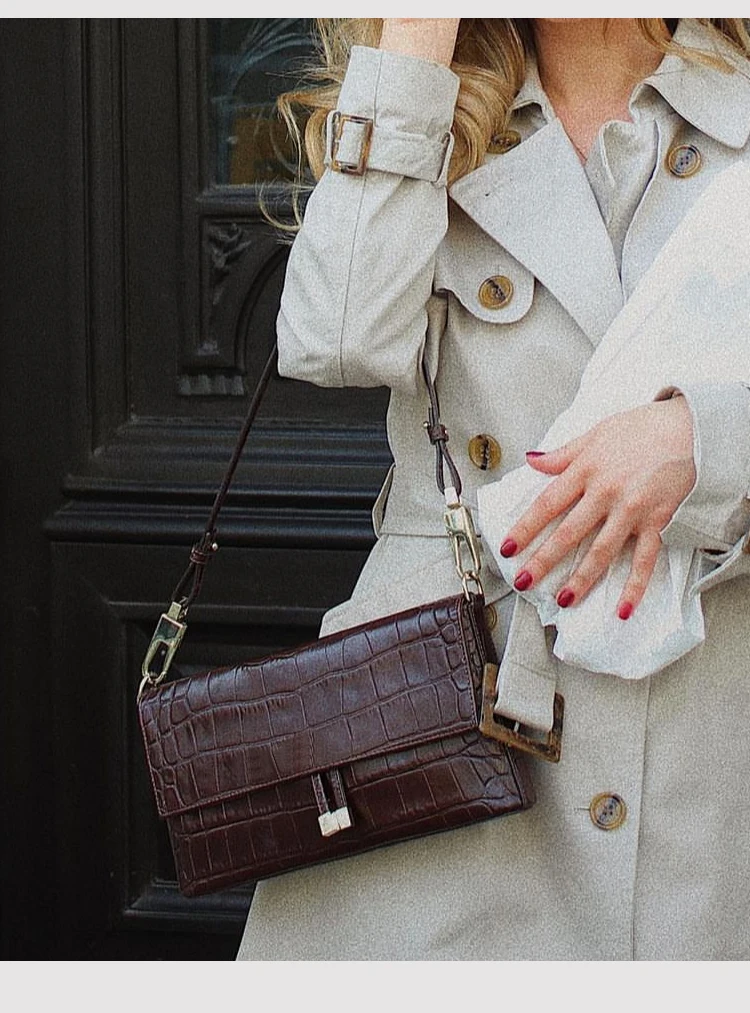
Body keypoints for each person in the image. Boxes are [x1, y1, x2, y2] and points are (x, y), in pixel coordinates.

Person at [237, 18, 750, 960]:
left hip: (706, 739)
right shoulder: (435, 111)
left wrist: (705, 443)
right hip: (451, 740)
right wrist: (414, 49)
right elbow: (333, 341)